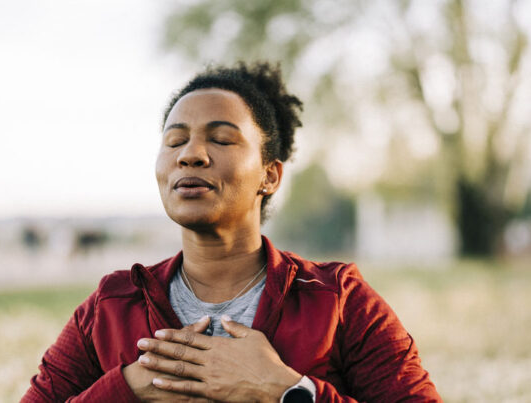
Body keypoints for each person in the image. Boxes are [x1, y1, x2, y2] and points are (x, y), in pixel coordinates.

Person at [23, 62, 441, 402]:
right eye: (175, 140)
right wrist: (127, 389)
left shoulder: (338, 301)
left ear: (270, 175)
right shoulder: (111, 307)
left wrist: (286, 391)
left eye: (222, 139)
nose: (191, 154)